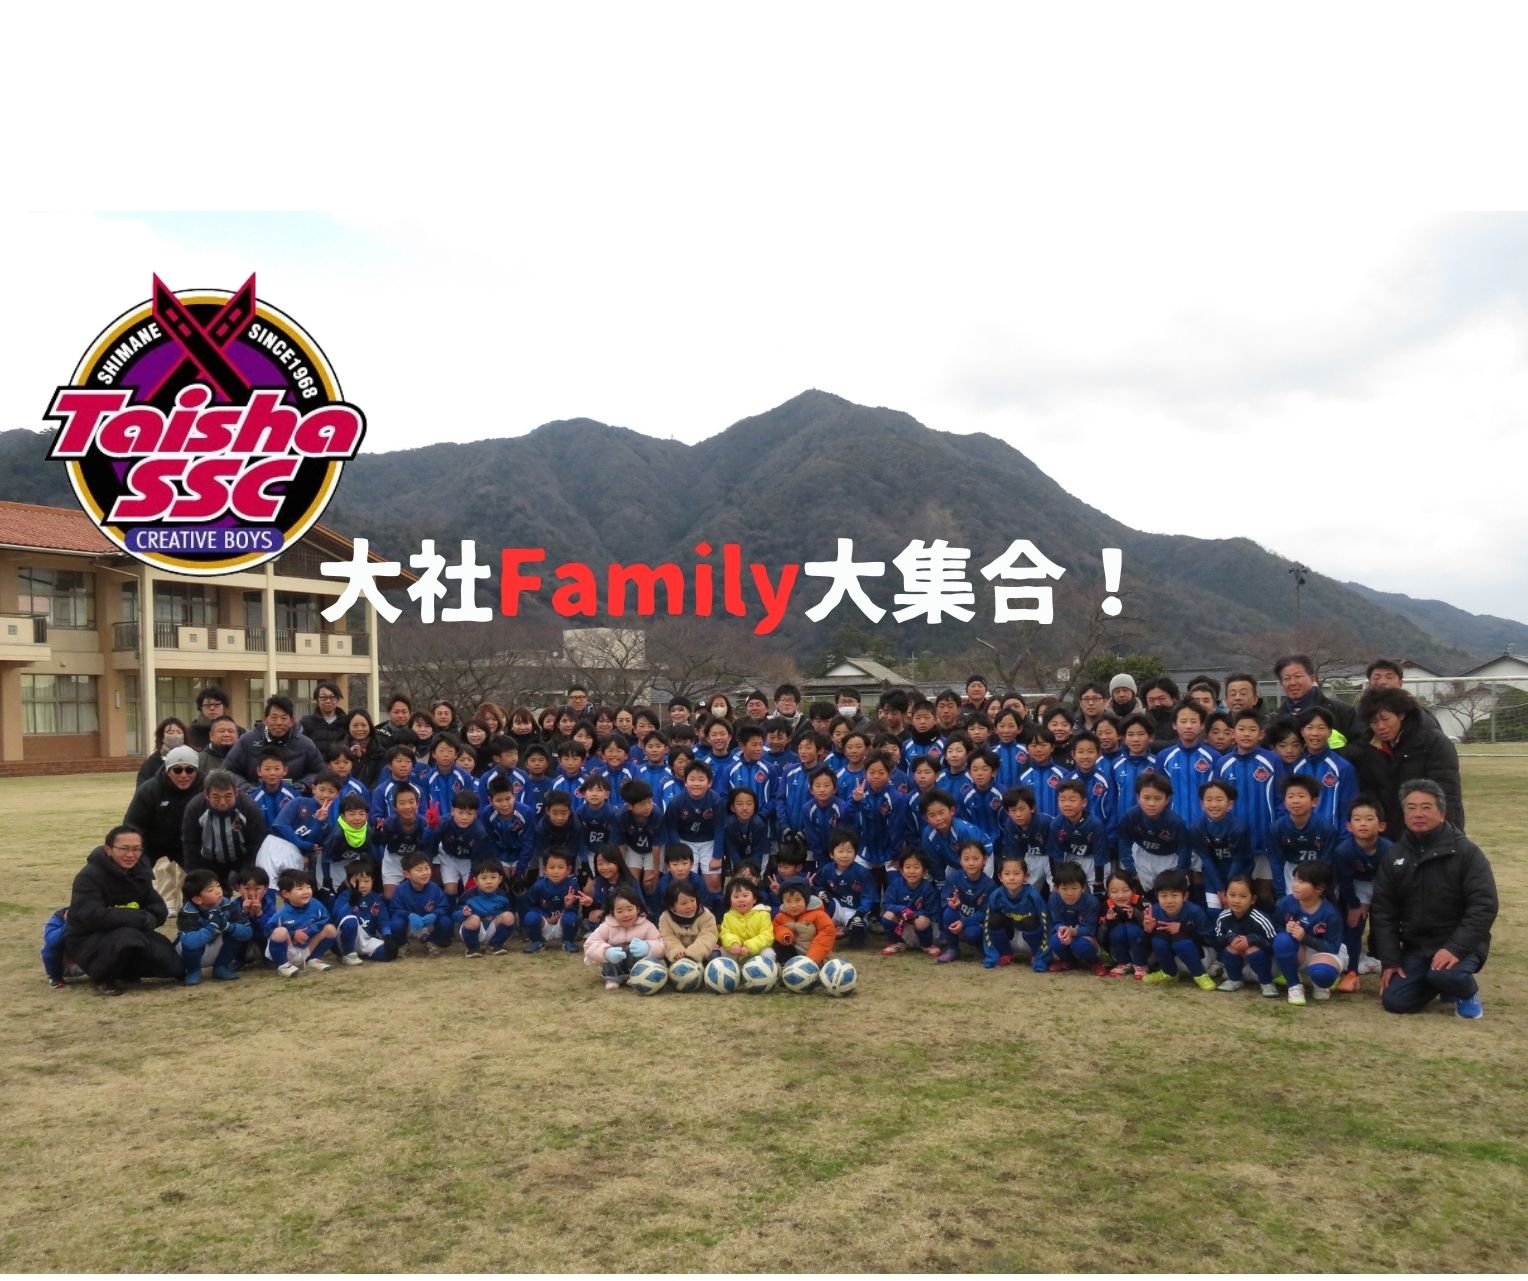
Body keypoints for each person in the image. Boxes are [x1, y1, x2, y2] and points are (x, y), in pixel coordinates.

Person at [1371, 779, 1498, 1019]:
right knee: (1394, 1001)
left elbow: (1484, 905)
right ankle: (1441, 983)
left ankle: (1465, 991)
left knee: (1446, 974)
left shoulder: (1466, 852)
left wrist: (1455, 948)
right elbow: (1383, 911)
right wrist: (1390, 960)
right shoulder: (1394, 855)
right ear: (1404, 815)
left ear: (1441, 814)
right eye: (1411, 808)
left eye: (1426, 807)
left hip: (1460, 944)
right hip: (1417, 947)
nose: (1418, 814)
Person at [65, 825, 183, 995]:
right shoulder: (89, 876)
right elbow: (92, 916)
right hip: (90, 938)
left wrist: (148, 919)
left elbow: (158, 909)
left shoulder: (139, 872)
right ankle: (103, 979)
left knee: (175, 966)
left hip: (135, 932)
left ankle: (128, 972)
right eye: (124, 849)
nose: (130, 855)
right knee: (128, 939)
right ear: (108, 849)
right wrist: (139, 918)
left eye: (136, 849)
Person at [1348, 686, 1465, 832]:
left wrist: (1440, 832)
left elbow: (1447, 793)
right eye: (1374, 721)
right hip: (1388, 830)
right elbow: (1368, 789)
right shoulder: (1368, 746)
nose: (1380, 726)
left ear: (1401, 715)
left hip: (1429, 828)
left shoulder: (1433, 742)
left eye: (1386, 719)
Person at [123, 744, 202, 914]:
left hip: (187, 842)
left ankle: (197, 912)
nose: (184, 775)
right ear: (167, 771)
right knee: (135, 873)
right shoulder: (150, 789)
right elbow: (132, 825)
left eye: (190, 770)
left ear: (197, 771)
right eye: (177, 770)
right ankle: (133, 909)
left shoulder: (205, 788)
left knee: (202, 877)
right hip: (152, 841)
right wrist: (134, 854)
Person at [1272, 859, 1345, 1006]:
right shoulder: (1285, 903)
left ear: (1319, 888)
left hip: (1324, 953)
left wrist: (1305, 937)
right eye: (1295, 879)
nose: (1295, 885)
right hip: (1298, 952)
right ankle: (1294, 985)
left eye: (1302, 882)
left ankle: (1319, 983)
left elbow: (1333, 947)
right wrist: (1286, 930)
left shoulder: (1330, 913)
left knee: (1322, 974)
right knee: (1282, 940)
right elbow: (1274, 929)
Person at [181, 769, 268, 887]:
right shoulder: (195, 808)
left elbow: (256, 843)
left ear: (236, 793)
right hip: (207, 863)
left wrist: (249, 872)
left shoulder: (249, 808)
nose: (222, 802)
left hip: (241, 861)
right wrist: (193, 875)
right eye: (216, 797)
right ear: (207, 795)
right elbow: (190, 844)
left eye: (228, 796)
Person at [224, 696, 325, 792]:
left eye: (284, 718)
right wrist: (245, 787)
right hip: (253, 798)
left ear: (292, 721)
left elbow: (320, 772)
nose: (279, 722)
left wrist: (304, 784)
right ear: (264, 719)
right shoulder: (247, 740)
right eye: (274, 717)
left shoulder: (305, 744)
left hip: (294, 799)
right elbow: (227, 771)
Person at [1140, 869, 1215, 989]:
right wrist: (1147, 931)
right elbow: (1143, 946)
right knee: (1158, 940)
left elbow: (1210, 939)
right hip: (1172, 958)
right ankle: (1169, 973)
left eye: (1174, 895)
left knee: (1180, 941)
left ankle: (1200, 975)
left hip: (1200, 956)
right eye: (1164, 895)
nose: (1169, 901)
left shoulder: (1194, 911)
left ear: (1185, 896)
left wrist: (1183, 928)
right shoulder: (1153, 911)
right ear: (1157, 896)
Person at [174, 868, 252, 983]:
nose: (218, 891)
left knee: (236, 934)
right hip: (190, 953)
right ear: (197, 899)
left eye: (218, 886)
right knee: (189, 941)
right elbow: (190, 942)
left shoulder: (227, 904)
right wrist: (211, 927)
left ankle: (221, 967)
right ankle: (193, 971)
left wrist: (228, 927)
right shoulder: (188, 912)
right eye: (210, 890)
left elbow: (247, 932)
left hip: (215, 947)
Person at [583, 887, 666, 990]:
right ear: (612, 912)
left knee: (648, 958)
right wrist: (606, 953)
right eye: (620, 911)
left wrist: (648, 947)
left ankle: (636, 977)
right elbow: (589, 944)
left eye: (630, 909)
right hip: (614, 966)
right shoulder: (607, 926)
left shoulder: (647, 925)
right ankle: (612, 978)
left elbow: (661, 944)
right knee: (609, 953)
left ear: (637, 909)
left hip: (639, 968)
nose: (626, 915)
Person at [1210, 873, 1279, 995]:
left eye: (1243, 896)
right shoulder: (1223, 917)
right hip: (1239, 966)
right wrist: (1229, 938)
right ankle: (1234, 980)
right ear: (1225, 896)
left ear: (1253, 899)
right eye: (1232, 895)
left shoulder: (1261, 919)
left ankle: (1267, 983)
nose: (1236, 900)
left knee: (1252, 949)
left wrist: (1253, 940)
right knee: (1231, 947)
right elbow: (1216, 944)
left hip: (1267, 967)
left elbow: (1274, 946)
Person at [264, 868, 339, 977]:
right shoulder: (283, 913)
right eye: (300, 888)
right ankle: (283, 965)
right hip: (289, 950)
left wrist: (311, 930)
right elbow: (268, 930)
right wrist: (293, 934)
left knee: (330, 929)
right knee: (280, 932)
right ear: (286, 894)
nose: (306, 891)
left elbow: (326, 919)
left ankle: (313, 959)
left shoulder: (316, 905)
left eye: (308, 887)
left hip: (308, 947)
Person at [982, 855, 1049, 971]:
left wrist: (1042, 957)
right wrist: (991, 955)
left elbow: (1047, 927)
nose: (1012, 878)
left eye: (1017, 874)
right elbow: (987, 928)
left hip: (1031, 940)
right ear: (1000, 877)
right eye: (1007, 874)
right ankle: (1005, 953)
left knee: (1030, 922)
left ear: (1026, 877)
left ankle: (1036, 956)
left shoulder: (1034, 898)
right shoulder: (996, 896)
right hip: (1009, 938)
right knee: (994, 920)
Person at [937, 839, 996, 963]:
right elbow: (944, 899)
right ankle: (952, 948)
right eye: (966, 859)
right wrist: (952, 903)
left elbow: (985, 913)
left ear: (984, 860)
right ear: (960, 861)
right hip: (958, 916)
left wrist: (964, 922)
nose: (971, 863)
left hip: (974, 923)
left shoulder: (989, 885)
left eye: (976, 858)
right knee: (948, 912)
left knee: (972, 933)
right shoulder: (954, 877)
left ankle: (981, 947)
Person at [1273, 654, 1356, 741]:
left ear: (1313, 678)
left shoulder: (1342, 711)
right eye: (1287, 678)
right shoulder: (1277, 718)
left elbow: (1360, 743)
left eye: (1298, 676)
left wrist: (1329, 749)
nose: (1292, 683)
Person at [389, 851, 454, 954]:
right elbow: (395, 909)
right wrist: (409, 915)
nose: (424, 873)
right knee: (395, 924)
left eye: (427, 868)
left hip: (429, 923)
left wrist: (434, 914)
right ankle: (402, 944)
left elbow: (444, 907)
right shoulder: (401, 890)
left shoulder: (434, 888)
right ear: (407, 874)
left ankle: (431, 941)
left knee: (446, 922)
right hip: (410, 924)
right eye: (419, 870)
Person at [331, 860, 395, 963]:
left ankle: (360, 955)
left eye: (366, 881)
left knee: (389, 952)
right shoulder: (344, 897)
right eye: (357, 882)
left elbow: (383, 921)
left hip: (366, 938)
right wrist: (350, 904)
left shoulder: (376, 898)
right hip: (343, 939)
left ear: (372, 881)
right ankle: (348, 954)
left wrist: (387, 935)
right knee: (351, 920)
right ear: (348, 882)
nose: (362, 885)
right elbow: (338, 919)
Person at [1045, 860, 1102, 973]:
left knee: (1079, 944)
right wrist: (1061, 928)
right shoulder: (1054, 898)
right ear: (1056, 888)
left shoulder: (1091, 902)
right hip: (1065, 935)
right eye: (1064, 889)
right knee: (1055, 940)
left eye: (1074, 888)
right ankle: (1068, 961)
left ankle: (1095, 963)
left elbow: (1090, 929)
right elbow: (1055, 922)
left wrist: (1073, 932)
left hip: (1086, 938)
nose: (1069, 893)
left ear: (1083, 887)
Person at [522, 849, 582, 953]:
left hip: (561, 923)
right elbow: (531, 906)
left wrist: (567, 906)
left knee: (571, 918)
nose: (556, 871)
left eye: (560, 867)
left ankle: (567, 941)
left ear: (568, 869)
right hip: (545, 923)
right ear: (545, 870)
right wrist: (546, 917)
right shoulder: (538, 886)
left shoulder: (572, 885)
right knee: (530, 917)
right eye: (552, 867)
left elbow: (574, 909)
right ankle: (537, 942)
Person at [456, 860, 517, 957]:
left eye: (493, 877)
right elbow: (455, 915)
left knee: (509, 916)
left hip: (492, 930)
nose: (489, 882)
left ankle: (494, 945)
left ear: (500, 879)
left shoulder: (503, 896)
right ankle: (472, 948)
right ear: (476, 880)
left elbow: (508, 918)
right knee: (474, 919)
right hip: (473, 930)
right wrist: (463, 913)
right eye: (484, 878)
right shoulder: (468, 896)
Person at [773, 877, 837, 965]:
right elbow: (776, 927)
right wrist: (785, 934)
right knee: (779, 945)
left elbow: (827, 933)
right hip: (792, 953)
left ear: (806, 899)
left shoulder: (818, 915)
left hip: (815, 956)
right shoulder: (780, 916)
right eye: (788, 901)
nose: (793, 905)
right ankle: (787, 966)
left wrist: (811, 959)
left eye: (798, 900)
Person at [1098, 870, 1146, 978]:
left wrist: (1137, 915)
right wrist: (1107, 921)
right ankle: (1123, 962)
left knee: (1132, 929)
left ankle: (1141, 964)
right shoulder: (1105, 906)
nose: (1120, 895)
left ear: (1133, 889)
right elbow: (1101, 938)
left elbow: (1152, 930)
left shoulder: (1143, 903)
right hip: (1116, 951)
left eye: (1125, 890)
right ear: (1108, 892)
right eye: (1114, 891)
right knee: (1118, 931)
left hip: (1146, 952)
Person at [718, 876, 775, 961]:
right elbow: (725, 934)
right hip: (737, 951)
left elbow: (767, 936)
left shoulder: (763, 914)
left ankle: (763, 968)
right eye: (736, 897)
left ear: (754, 899)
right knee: (722, 951)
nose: (741, 900)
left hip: (757, 950)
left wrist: (749, 946)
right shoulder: (728, 916)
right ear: (730, 901)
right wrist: (733, 943)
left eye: (745, 895)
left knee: (768, 953)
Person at [299, 681, 348, 759]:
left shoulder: (346, 721)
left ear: (338, 699)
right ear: (317, 699)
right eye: (323, 698)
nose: (328, 701)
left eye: (332, 697)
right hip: (315, 765)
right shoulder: (306, 722)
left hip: (339, 764)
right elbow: (300, 746)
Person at [136, 716, 190, 785]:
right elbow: (142, 788)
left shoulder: (193, 758)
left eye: (179, 732)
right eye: (170, 733)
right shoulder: (152, 762)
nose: (176, 736)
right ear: (162, 737)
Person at [186, 686, 241, 753]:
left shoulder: (238, 731)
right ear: (200, 708)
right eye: (207, 705)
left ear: (224, 707)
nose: (212, 708)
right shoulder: (190, 733)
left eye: (216, 704)